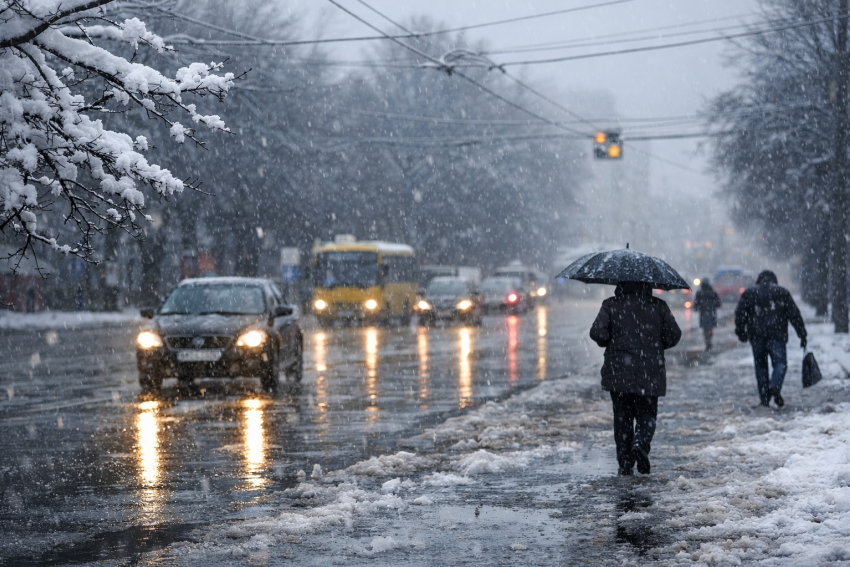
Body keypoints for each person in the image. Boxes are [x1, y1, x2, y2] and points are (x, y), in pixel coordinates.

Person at [590, 282, 682, 476]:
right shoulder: (658, 306)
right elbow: (674, 334)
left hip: (618, 371)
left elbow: (597, 333)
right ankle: (641, 442)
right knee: (647, 413)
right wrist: (655, 345)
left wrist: (610, 340)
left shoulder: (611, 304)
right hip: (649, 369)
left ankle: (625, 463)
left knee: (622, 418)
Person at [734, 270, 806, 408]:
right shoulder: (782, 293)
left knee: (760, 367)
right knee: (780, 363)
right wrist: (802, 334)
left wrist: (741, 332)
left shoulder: (750, 293)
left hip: (756, 336)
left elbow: (740, 313)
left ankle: (764, 399)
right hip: (777, 335)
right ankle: (775, 384)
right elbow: (794, 314)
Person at [693, 279, 722, 351]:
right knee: (710, 327)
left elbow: (696, 304)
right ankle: (709, 340)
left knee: (705, 328)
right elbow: (718, 303)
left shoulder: (699, 293)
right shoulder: (713, 292)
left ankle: (707, 341)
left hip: (703, 313)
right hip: (712, 312)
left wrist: (698, 307)